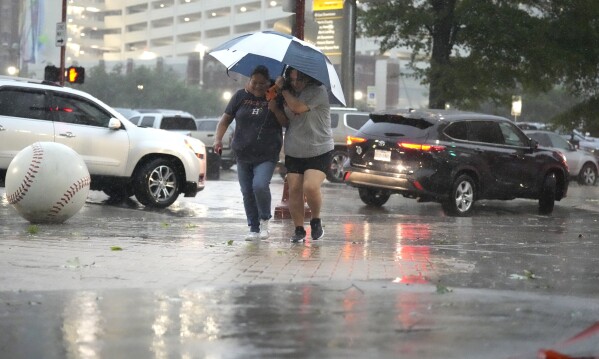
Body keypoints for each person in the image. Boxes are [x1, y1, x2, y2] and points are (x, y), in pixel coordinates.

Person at [214, 65, 284, 241]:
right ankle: (253, 228)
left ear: (269, 82)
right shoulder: (240, 96)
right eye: (255, 82)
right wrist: (218, 140)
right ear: (249, 81)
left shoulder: (276, 96)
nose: (258, 86)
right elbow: (225, 121)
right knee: (247, 191)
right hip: (243, 153)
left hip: (267, 153)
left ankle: (265, 220)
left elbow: (286, 122)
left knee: (259, 186)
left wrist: (275, 107)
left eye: (262, 83)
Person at [269, 67, 332, 243]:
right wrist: (275, 109)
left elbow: (297, 107)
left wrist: (284, 90)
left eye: (301, 80)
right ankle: (298, 229)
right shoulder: (285, 93)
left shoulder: (318, 92)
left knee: (310, 186)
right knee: (294, 188)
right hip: (295, 149)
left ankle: (316, 220)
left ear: (309, 79)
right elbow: (286, 122)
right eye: (293, 79)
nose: (296, 83)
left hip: (319, 147)